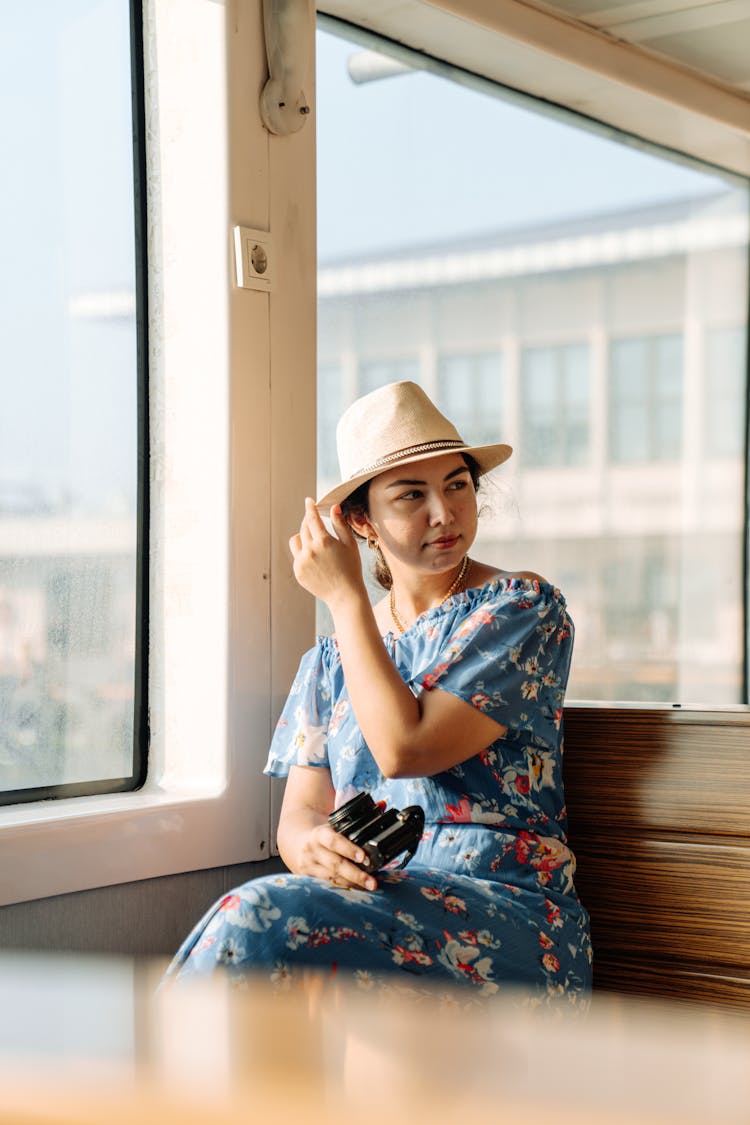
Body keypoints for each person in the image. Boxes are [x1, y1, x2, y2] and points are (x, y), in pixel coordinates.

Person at [165, 381, 592, 1003]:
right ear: (359, 520)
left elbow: (406, 749)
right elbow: (299, 815)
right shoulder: (332, 658)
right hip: (380, 901)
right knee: (264, 929)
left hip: (511, 917)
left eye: (457, 485)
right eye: (411, 495)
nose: (444, 513)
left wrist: (343, 598)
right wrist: (315, 848)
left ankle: (137, 1093)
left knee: (254, 913)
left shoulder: (521, 609)